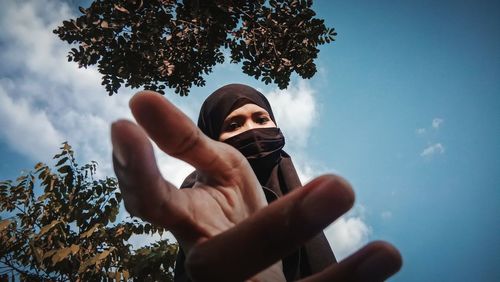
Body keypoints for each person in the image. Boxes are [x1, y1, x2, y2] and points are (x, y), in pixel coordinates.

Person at [111, 84, 402, 281]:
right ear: (213, 140)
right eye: (234, 125)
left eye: (261, 118)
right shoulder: (199, 197)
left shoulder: (300, 197)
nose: (252, 130)